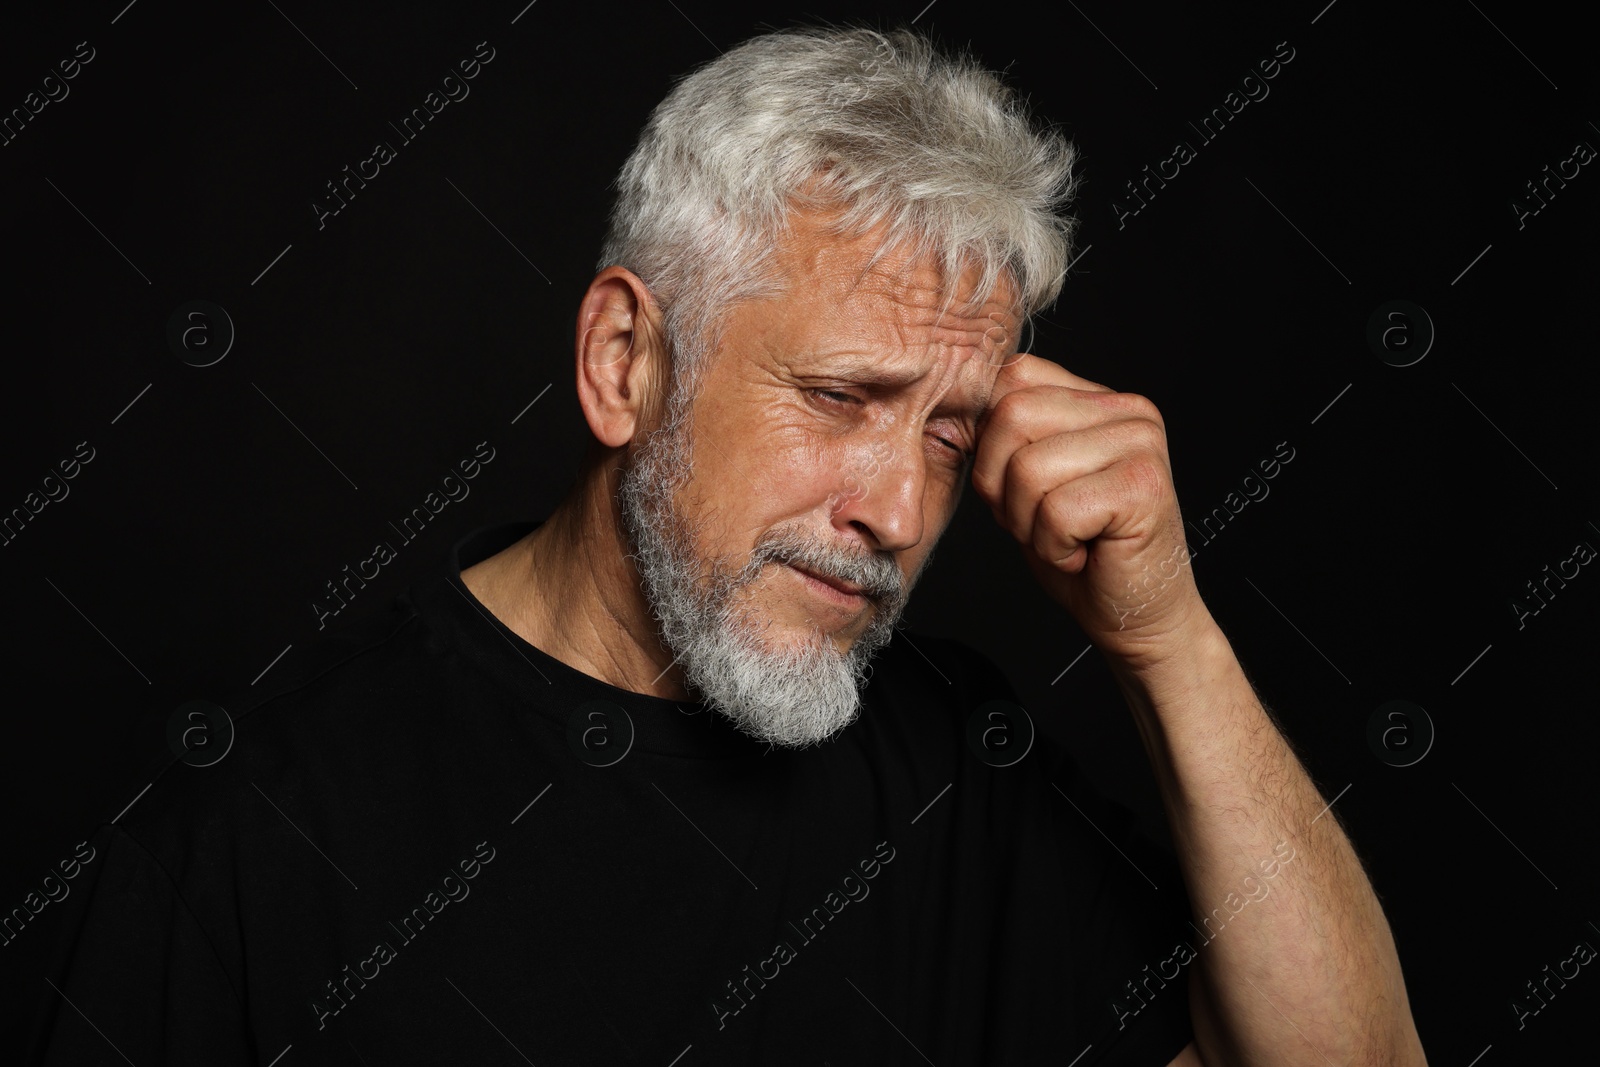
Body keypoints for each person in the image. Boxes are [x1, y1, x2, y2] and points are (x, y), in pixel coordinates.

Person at [27, 23, 1426, 1065]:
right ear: (626, 361)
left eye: (949, 431)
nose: (896, 510)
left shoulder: (957, 785)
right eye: (838, 397)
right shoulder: (259, 840)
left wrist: (1167, 638)